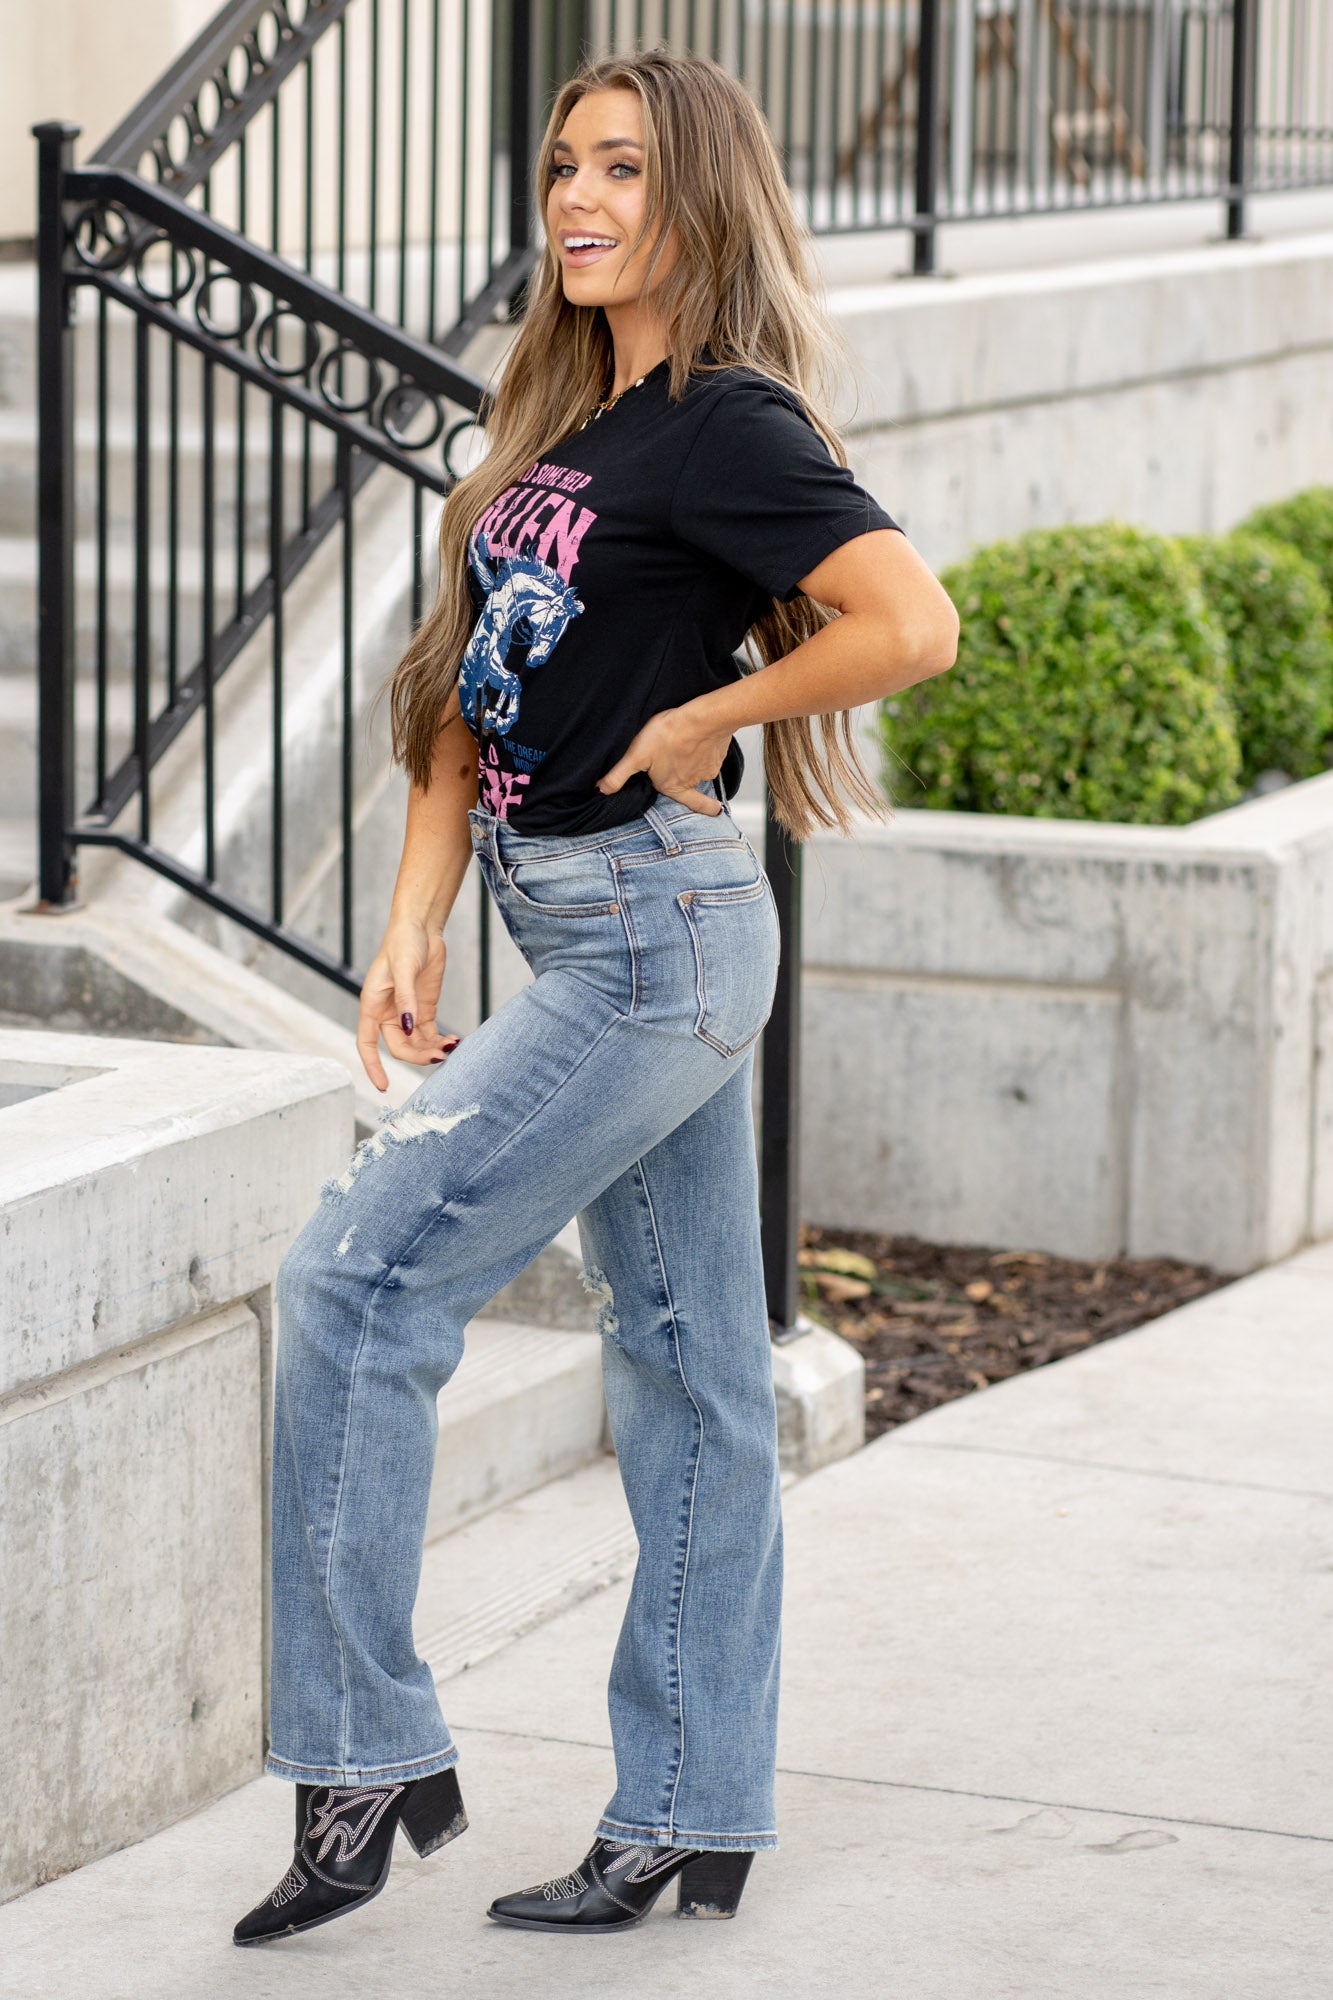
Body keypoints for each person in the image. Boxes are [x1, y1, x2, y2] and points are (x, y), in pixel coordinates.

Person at [233, 46, 957, 1948]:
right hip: (582, 928)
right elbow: (459, 692)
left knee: (357, 1282)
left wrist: (713, 715)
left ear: (695, 196)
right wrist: (412, 918)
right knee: (693, 1374)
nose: (576, 197)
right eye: (563, 163)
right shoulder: (562, 422)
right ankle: (689, 1808)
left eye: (622, 169)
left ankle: (361, 1755)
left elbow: (910, 621)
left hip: (656, 936)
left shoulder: (724, 424)